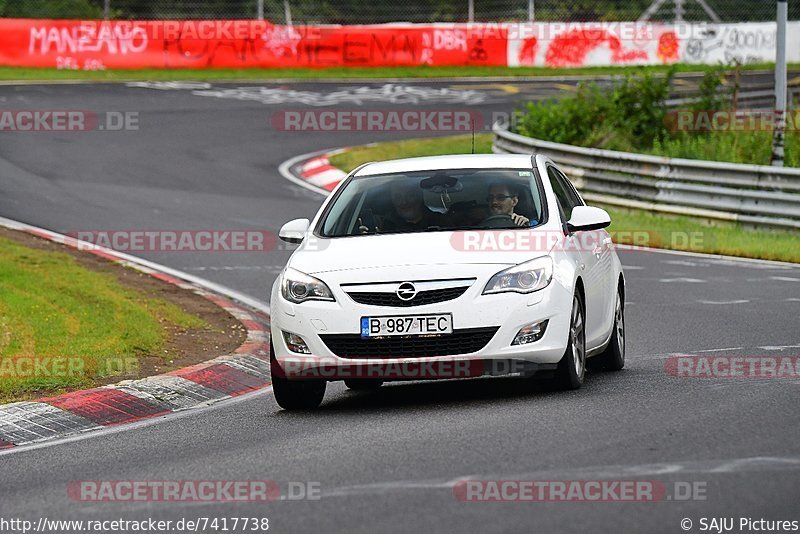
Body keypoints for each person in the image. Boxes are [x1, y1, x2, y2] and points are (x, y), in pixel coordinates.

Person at [359, 181, 438, 233]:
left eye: (410, 195)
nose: (404, 202)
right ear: (393, 200)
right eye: (398, 197)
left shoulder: (441, 222)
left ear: (420, 196)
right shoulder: (384, 227)